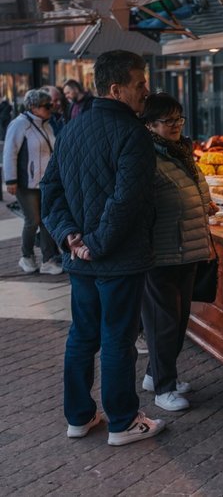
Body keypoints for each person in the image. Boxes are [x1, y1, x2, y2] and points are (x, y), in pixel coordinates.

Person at [41, 49, 165, 446]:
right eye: (139, 84)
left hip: (81, 259)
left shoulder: (71, 129)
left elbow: (51, 191)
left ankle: (78, 418)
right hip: (117, 258)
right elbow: (126, 201)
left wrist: (70, 237)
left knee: (82, 337)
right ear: (116, 89)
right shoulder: (133, 135)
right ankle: (123, 422)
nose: (146, 90)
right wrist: (92, 244)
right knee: (116, 339)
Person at [140, 93, 215, 412]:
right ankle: (163, 388)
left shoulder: (182, 152)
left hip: (189, 247)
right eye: (168, 121)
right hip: (163, 251)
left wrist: (204, 203)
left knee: (179, 317)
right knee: (163, 321)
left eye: (179, 118)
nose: (175, 126)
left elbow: (196, 186)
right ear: (150, 125)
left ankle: (153, 374)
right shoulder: (146, 156)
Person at [3, 88, 61, 275]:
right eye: (46, 106)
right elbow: (10, 152)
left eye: (50, 105)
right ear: (33, 107)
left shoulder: (47, 124)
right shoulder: (19, 125)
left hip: (45, 182)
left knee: (46, 220)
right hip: (25, 183)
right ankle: (26, 256)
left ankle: (48, 258)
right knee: (32, 220)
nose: (50, 109)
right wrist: (10, 179)